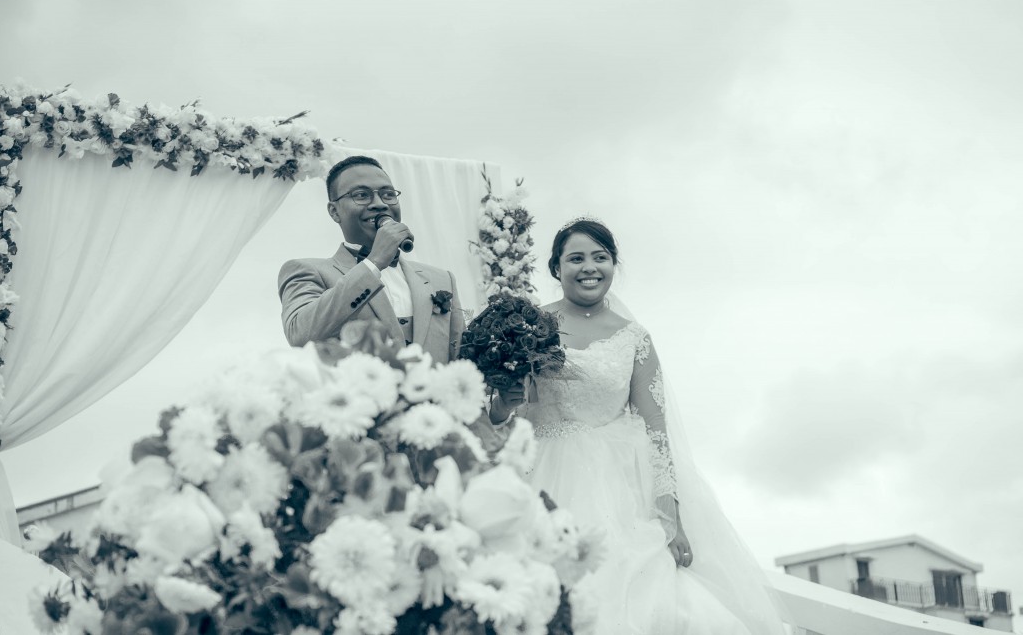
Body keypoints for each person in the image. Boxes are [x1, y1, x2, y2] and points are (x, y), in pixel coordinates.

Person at [490, 218, 788, 634]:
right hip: (539, 474)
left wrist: (671, 518)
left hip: (619, 487)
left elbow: (655, 429)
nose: (589, 267)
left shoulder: (635, 338)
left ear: (614, 264)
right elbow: (504, 412)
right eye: (575, 258)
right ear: (556, 268)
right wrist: (501, 407)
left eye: (601, 257)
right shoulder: (527, 328)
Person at [278, 156, 502, 449]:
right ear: (334, 211)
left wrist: (493, 424)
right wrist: (373, 263)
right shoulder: (307, 270)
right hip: (358, 445)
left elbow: (460, 364)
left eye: (387, 194)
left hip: (437, 442)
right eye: (362, 195)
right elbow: (300, 333)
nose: (379, 204)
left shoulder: (440, 280)